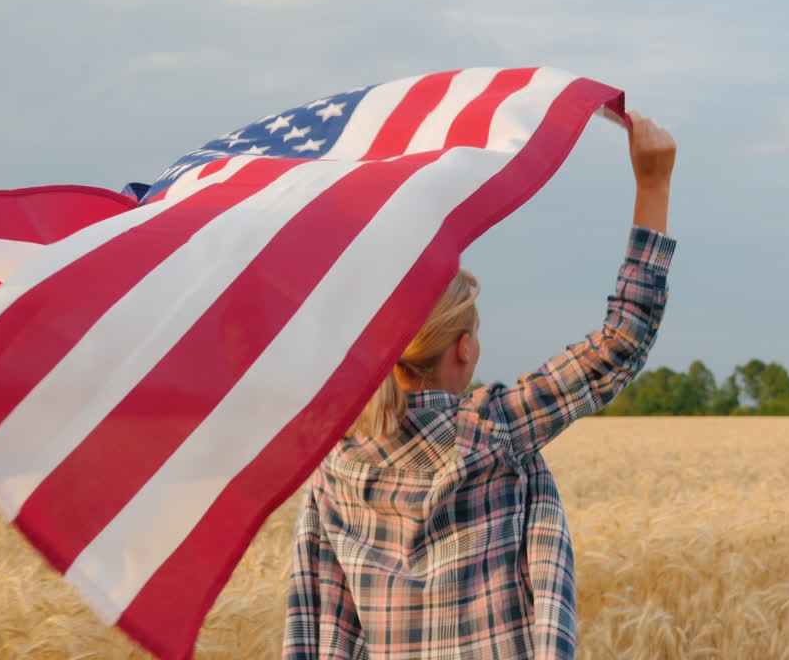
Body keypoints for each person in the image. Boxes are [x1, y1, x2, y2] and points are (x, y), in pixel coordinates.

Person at [283, 111, 677, 660]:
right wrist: (653, 184)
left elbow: (319, 625)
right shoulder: (492, 432)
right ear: (463, 349)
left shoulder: (335, 466)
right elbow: (620, 345)